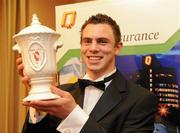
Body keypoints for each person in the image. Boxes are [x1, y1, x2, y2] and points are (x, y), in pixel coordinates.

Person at [16, 13, 158, 133]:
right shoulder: (60, 93)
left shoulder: (141, 99)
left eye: (102, 42)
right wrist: (39, 103)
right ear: (81, 46)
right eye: (87, 41)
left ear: (117, 48)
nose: (93, 48)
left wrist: (73, 115)